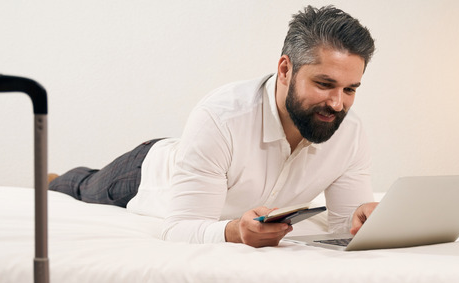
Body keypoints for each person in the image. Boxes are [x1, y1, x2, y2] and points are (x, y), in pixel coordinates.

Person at [50, 5, 378, 248]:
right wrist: (235, 231)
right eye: (324, 84)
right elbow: (178, 228)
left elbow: (343, 229)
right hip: (147, 171)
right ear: (285, 69)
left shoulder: (349, 132)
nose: (337, 103)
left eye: (350, 90)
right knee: (85, 186)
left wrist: (362, 224)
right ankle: (53, 179)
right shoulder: (221, 117)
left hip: (202, 155)